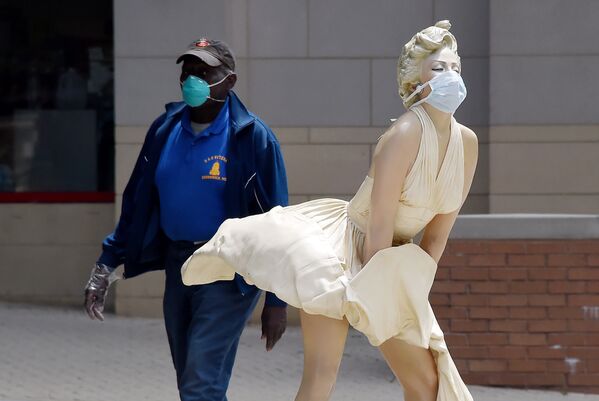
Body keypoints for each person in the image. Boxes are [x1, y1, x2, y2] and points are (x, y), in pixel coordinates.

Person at [182, 21, 478, 401]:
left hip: (394, 262)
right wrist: (375, 301)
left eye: (455, 67)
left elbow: (437, 236)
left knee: (427, 384)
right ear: (412, 80)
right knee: (323, 374)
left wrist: (411, 300)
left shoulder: (466, 143)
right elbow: (379, 227)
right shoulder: (404, 134)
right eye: (438, 69)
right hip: (338, 252)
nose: (450, 76)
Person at [83, 38, 289, 401]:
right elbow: (136, 203)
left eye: (204, 72)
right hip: (179, 265)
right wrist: (105, 266)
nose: (192, 79)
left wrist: (276, 302)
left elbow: (276, 222)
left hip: (229, 271)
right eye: (188, 71)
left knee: (199, 384)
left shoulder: (252, 137)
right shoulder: (165, 129)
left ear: (229, 81)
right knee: (192, 382)